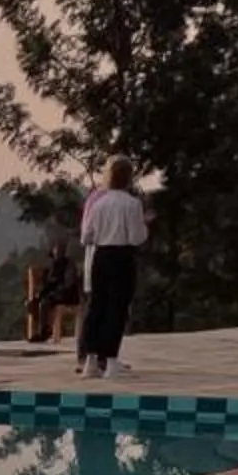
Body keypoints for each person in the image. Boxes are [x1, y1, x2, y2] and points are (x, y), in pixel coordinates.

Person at [75, 157, 148, 378]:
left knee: (97, 307)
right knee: (117, 309)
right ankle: (112, 360)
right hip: (122, 256)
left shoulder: (99, 204)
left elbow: (86, 236)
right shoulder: (132, 204)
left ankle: (91, 360)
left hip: (101, 255)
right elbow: (137, 237)